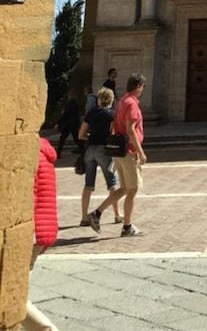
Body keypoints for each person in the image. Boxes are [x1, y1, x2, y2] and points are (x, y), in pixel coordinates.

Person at [24, 136, 60, 331]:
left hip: (30, 234)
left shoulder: (27, 153)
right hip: (41, 230)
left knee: (13, 297)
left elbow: (28, 198)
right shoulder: (43, 151)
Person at [78, 87, 124, 229]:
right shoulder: (112, 115)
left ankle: (84, 217)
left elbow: (81, 134)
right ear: (112, 100)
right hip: (104, 150)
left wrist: (90, 137)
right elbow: (113, 133)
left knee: (88, 185)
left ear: (98, 99)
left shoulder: (91, 113)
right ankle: (117, 214)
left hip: (90, 150)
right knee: (112, 183)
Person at [112, 73, 147, 236]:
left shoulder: (121, 101)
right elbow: (131, 129)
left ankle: (97, 212)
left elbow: (114, 124)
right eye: (142, 87)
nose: (142, 90)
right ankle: (127, 226)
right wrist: (140, 152)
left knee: (126, 188)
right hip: (129, 151)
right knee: (132, 190)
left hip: (120, 150)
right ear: (138, 86)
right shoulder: (131, 104)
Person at [55, 92, 82, 159]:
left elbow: (65, 114)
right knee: (76, 138)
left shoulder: (69, 104)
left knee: (62, 138)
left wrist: (59, 122)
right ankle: (83, 149)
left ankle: (58, 153)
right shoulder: (76, 104)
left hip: (68, 123)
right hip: (74, 123)